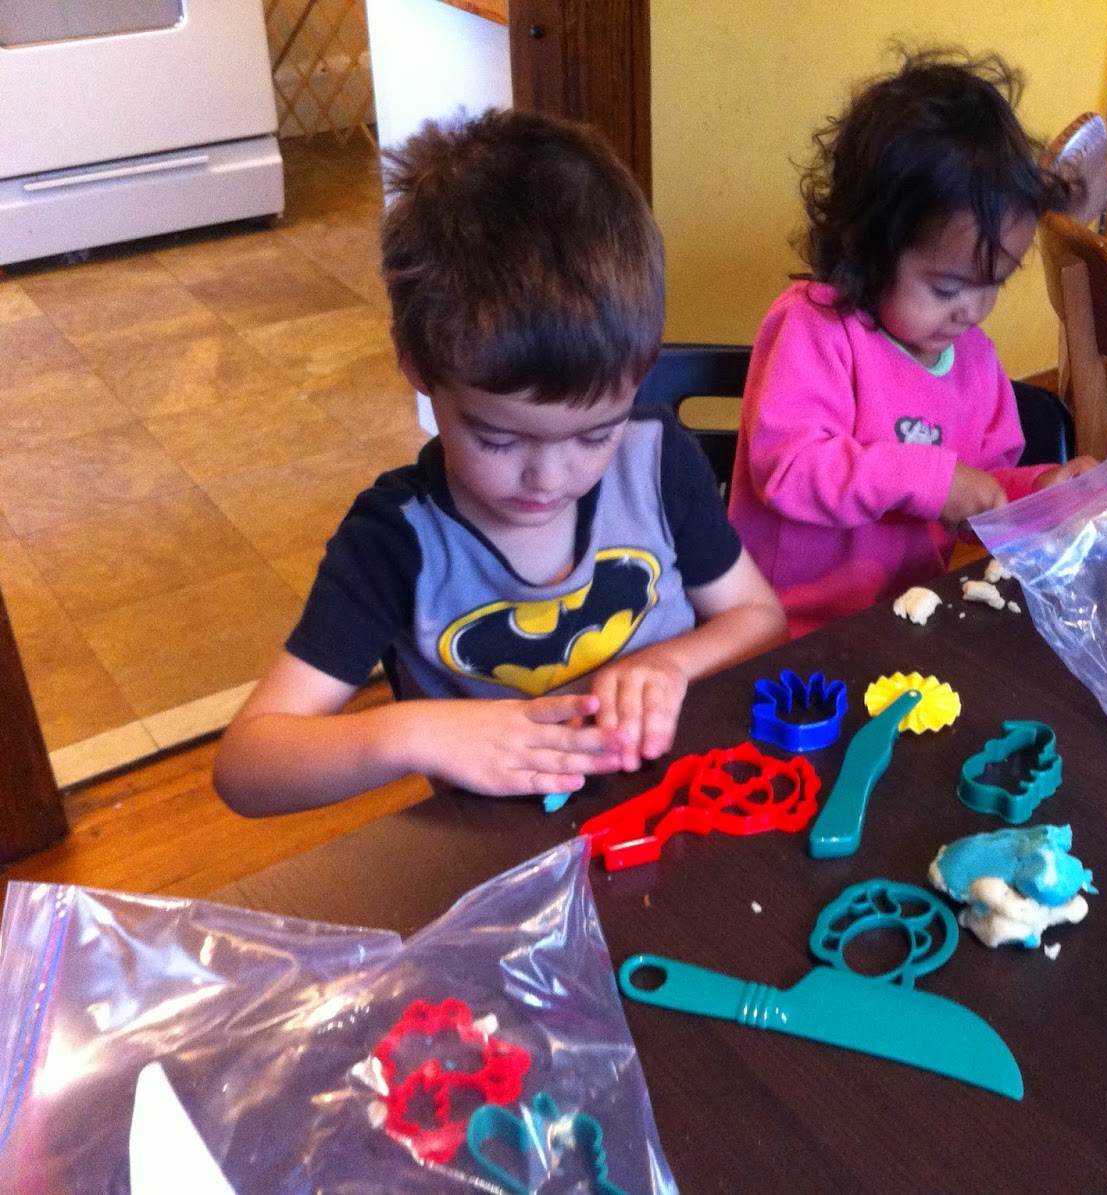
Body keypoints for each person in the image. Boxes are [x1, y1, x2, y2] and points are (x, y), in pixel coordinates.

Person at [215, 111, 786, 816]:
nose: (549, 478)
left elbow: (759, 619)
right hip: (509, 843)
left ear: (641, 372)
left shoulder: (657, 459)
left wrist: (668, 662)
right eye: (498, 440)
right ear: (417, 366)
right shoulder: (394, 541)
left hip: (684, 801)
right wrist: (414, 732)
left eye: (594, 434)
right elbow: (247, 767)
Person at [728, 48, 1097, 638]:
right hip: (783, 628)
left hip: (906, 619)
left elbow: (980, 492)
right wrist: (932, 481)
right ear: (868, 247)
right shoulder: (815, 327)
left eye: (994, 284)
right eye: (947, 287)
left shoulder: (975, 360)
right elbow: (790, 471)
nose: (972, 310)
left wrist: (1035, 494)